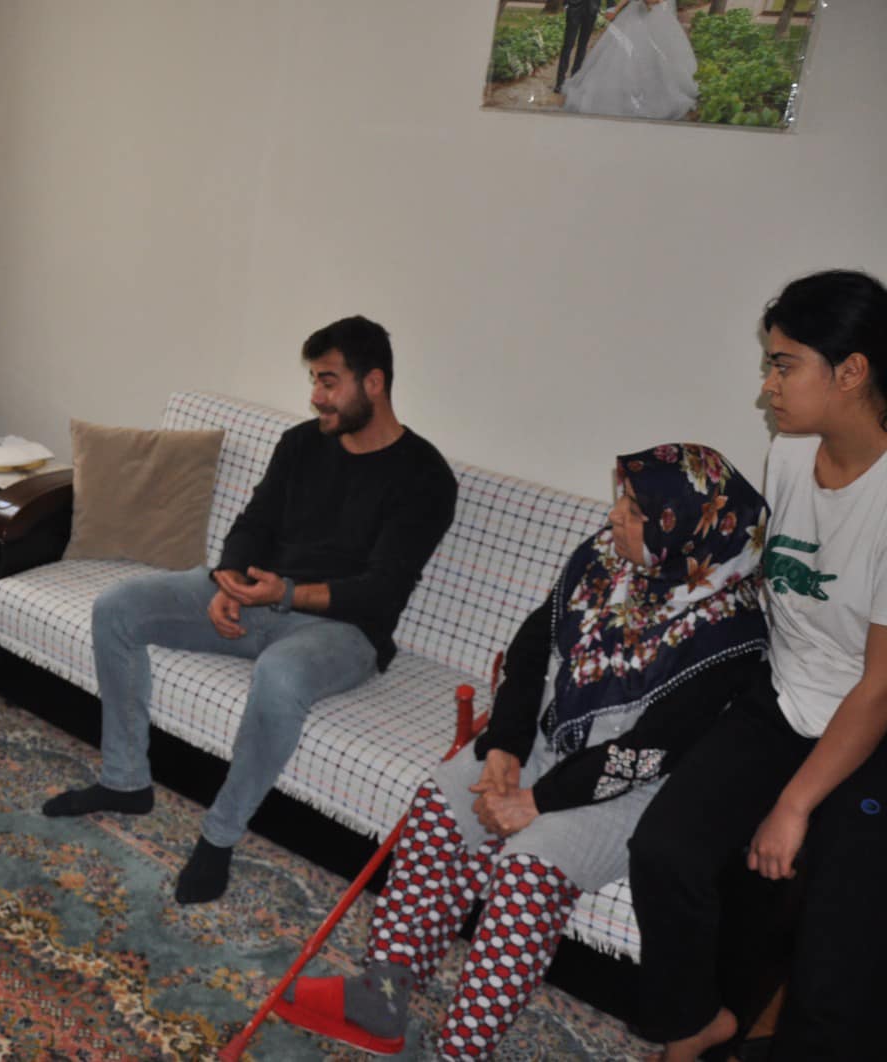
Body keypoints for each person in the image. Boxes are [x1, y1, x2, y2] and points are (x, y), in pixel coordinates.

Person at [277, 444, 769, 1059]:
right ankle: (382, 996)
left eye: (636, 511)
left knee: (527, 871)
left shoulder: (729, 630)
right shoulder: (604, 557)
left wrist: (535, 802)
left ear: (685, 532)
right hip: (543, 736)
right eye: (622, 499)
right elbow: (532, 645)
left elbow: (647, 752)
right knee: (440, 805)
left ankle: (461, 1050)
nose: (614, 515)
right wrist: (505, 747)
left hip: (628, 789)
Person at [43, 316, 459, 903]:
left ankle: (218, 837)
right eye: (314, 381)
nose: (316, 396)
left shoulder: (425, 477)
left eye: (328, 382)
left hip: (342, 631)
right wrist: (230, 580)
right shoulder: (302, 443)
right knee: (117, 607)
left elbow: (380, 591)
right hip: (258, 597)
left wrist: (283, 594)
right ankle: (125, 781)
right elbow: (254, 522)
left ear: (374, 383)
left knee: (280, 673)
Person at [630, 270, 887, 1062]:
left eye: (783, 365)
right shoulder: (789, 454)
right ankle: (695, 1025)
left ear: (852, 371)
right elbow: (768, 586)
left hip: (871, 725)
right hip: (783, 695)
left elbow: (878, 687)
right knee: (664, 851)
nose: (767, 387)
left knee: (836, 954)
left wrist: (794, 804)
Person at [562, 0, 698, 122]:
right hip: (634, 14)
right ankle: (622, 93)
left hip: (656, 15)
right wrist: (615, 10)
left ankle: (654, 92)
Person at [553, 0, 602, 95]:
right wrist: (566, 3)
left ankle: (574, 79)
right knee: (568, 44)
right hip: (574, 6)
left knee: (582, 45)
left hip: (592, 8)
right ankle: (559, 82)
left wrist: (610, 6)